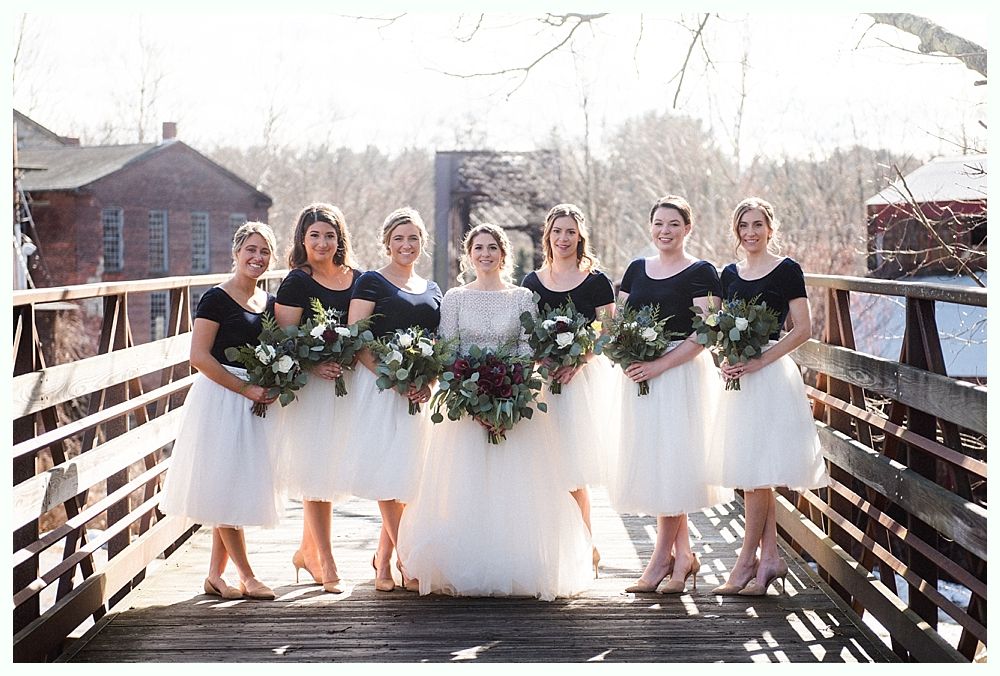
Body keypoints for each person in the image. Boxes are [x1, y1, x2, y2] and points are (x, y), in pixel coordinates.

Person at [398, 223, 593, 601]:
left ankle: (516, 563)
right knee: (466, 486)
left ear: (503, 254)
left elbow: (525, 347)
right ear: (468, 256)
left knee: (514, 487)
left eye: (492, 248)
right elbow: (449, 349)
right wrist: (472, 398)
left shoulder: (522, 297)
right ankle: (465, 563)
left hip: (514, 404)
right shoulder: (454, 298)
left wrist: (508, 391)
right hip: (464, 408)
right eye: (478, 248)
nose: (485, 254)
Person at [611, 194, 733, 595]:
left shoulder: (701, 272)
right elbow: (620, 324)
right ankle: (683, 556)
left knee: (673, 461)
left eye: (674, 224)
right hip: (641, 376)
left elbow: (706, 332)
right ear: (651, 227)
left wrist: (661, 364)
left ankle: (661, 557)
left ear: (688, 228)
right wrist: (628, 356)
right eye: (659, 224)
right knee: (657, 462)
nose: (665, 231)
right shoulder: (636, 269)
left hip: (679, 374)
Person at [709, 197, 828, 596]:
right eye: (744, 225)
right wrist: (723, 356)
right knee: (753, 471)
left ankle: (745, 563)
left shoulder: (787, 269)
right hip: (738, 379)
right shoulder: (729, 273)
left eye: (758, 224)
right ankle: (771, 560)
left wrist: (761, 360)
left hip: (771, 375)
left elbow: (803, 328)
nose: (751, 232)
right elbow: (718, 325)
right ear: (736, 231)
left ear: (770, 228)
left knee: (757, 475)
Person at [159, 221, 282, 601]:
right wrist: (246, 388)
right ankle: (247, 576)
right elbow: (198, 356)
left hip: (256, 402)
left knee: (231, 485)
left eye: (264, 252)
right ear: (236, 253)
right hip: (222, 398)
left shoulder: (270, 303)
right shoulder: (214, 298)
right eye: (251, 250)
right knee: (226, 483)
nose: (257, 257)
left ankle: (215, 575)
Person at [339, 207, 442, 592]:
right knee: (387, 470)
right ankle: (405, 559)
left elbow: (441, 344)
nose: (406, 245)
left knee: (408, 474)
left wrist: (427, 378)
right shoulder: (371, 282)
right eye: (399, 238)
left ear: (422, 243)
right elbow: (356, 336)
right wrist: (391, 378)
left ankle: (381, 560)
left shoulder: (433, 289)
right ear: (386, 242)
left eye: (413, 238)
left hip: (419, 393)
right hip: (381, 388)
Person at [521, 203, 616, 577]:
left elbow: (607, 330)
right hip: (542, 382)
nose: (563, 238)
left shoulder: (596, 280)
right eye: (557, 231)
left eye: (570, 232)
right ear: (548, 236)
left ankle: (586, 545)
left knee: (573, 470)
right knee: (544, 468)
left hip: (579, 381)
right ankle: (549, 547)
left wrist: (579, 359)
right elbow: (526, 331)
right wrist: (541, 361)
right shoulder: (532, 281)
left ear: (580, 237)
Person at [272, 203, 361, 594]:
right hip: (314, 389)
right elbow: (283, 339)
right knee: (317, 472)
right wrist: (313, 366)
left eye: (329, 235)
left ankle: (307, 551)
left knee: (335, 468)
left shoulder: (357, 279)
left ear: (340, 239)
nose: (322, 243)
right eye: (314, 236)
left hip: (349, 386)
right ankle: (326, 561)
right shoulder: (296, 282)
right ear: (302, 240)